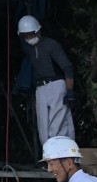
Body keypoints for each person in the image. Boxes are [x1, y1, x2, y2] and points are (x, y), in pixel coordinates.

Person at [14, 15, 76, 146]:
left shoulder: (51, 44)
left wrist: (69, 91)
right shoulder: (28, 48)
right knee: (43, 130)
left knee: (57, 126)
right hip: (40, 88)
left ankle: (62, 154)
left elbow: (67, 67)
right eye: (25, 36)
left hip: (56, 85)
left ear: (38, 31)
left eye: (30, 34)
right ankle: (50, 155)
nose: (28, 38)